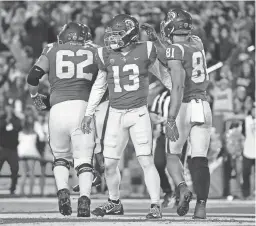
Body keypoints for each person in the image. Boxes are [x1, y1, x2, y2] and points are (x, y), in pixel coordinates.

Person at [81, 14, 172, 219]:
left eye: (118, 34)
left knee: (145, 160)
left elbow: (162, 73)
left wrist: (178, 93)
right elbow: (99, 85)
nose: (113, 38)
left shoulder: (146, 49)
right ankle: (114, 202)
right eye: (111, 34)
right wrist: (88, 113)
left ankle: (155, 204)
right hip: (115, 113)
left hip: (139, 113)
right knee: (110, 163)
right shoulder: (105, 54)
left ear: (131, 34)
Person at [142, 9, 212, 219]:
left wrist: (171, 118)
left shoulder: (175, 50)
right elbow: (176, 54)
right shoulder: (197, 42)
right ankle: (201, 207)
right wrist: (159, 43)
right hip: (204, 105)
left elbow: (178, 87)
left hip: (184, 106)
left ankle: (182, 187)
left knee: (173, 154)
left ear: (171, 27)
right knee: (199, 159)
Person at [26, 22, 101, 217]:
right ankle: (84, 199)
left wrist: (35, 97)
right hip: (84, 108)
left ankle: (63, 191)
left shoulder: (52, 49)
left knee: (60, 158)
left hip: (57, 109)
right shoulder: (95, 50)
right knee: (84, 159)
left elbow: (33, 77)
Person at [0, 96, 22, 195]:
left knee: (14, 170)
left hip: (13, 149)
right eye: (7, 107)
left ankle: (12, 189)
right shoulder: (1, 118)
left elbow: (18, 128)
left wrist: (11, 120)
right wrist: (6, 120)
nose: (9, 109)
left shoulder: (16, 119)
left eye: (11, 107)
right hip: (2, 148)